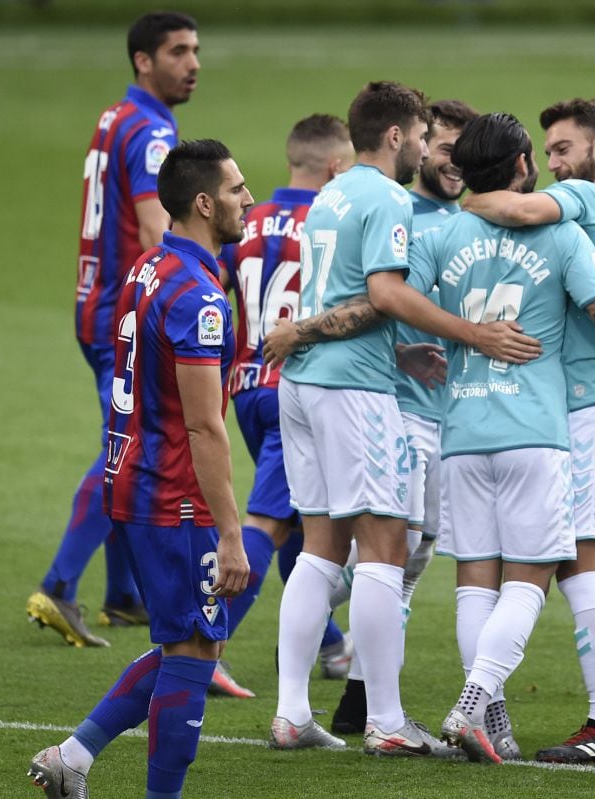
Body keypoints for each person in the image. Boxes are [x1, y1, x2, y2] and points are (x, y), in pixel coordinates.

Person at [265, 81, 541, 756]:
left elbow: (344, 294)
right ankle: (387, 721)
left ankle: (292, 711)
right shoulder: (389, 197)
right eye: (420, 133)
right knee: (388, 548)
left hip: (302, 384)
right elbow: (384, 292)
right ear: (395, 136)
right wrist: (472, 335)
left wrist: (353, 340)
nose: (424, 145)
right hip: (353, 391)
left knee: (322, 547)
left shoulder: (329, 193)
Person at [394, 111, 595, 763]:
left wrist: (427, 349)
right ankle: (472, 702)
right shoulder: (561, 234)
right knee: (528, 582)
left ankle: (491, 720)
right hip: (534, 430)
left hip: (462, 428)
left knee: (475, 583)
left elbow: (395, 306)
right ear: (520, 167)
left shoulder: (444, 232)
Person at [28, 138, 255, 799]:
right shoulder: (198, 299)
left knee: (182, 643)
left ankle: (73, 756)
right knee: (194, 652)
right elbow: (206, 425)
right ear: (205, 203)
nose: (249, 197)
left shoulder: (149, 269)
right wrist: (231, 531)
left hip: (129, 478)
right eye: (238, 188)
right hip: (175, 497)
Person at [461, 98, 595, 763]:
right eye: (546, 153)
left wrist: (457, 204)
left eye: (563, 149)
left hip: (594, 404)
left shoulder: (584, 199)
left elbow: (517, 210)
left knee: (578, 562)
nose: (553, 164)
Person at [27, 11, 201, 647]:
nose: (193, 63)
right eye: (178, 51)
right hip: (125, 316)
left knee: (127, 438)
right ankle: (59, 587)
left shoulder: (114, 117)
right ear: (143, 61)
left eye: (195, 50)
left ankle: (123, 595)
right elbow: (157, 229)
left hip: (93, 304)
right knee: (128, 450)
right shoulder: (153, 134)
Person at [329, 98, 480, 737]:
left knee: (411, 558)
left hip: (446, 416)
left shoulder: (467, 216)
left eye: (462, 153)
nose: (453, 162)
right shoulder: (401, 213)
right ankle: (268, 592)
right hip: (398, 409)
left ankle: (358, 698)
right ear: (418, 146)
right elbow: (374, 303)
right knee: (383, 555)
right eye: (442, 148)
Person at [210, 114, 356, 701]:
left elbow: (215, 286)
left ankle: (330, 643)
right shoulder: (328, 221)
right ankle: (208, 648)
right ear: (336, 167)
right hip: (294, 388)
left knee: (301, 519)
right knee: (270, 519)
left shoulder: (248, 219)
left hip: (245, 387)